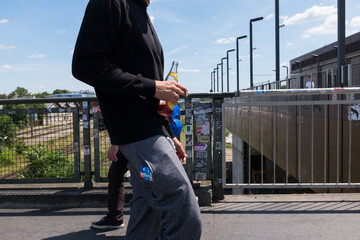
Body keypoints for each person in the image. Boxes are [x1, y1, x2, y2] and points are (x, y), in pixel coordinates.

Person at [72, 0, 202, 239]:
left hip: (152, 130)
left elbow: (152, 91)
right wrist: (153, 86)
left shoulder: (141, 13)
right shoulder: (111, 3)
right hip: (137, 131)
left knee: (146, 210)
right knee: (183, 208)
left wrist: (169, 134)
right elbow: (85, 64)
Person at [90, 147, 128, 229]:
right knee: (145, 178)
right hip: (142, 142)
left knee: (116, 174)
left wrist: (115, 146)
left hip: (133, 143)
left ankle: (115, 218)